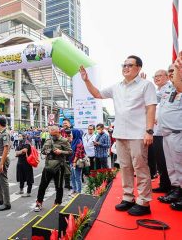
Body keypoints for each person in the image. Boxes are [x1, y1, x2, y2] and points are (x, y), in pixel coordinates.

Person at [79, 55, 157, 216]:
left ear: (138, 68)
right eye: (124, 65)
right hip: (120, 134)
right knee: (125, 167)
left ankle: (144, 201)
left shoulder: (146, 85)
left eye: (130, 65)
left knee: (140, 167)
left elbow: (151, 108)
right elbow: (97, 94)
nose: (126, 67)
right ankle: (128, 197)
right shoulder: (117, 87)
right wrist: (86, 80)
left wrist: (149, 131)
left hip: (138, 134)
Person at [157, 57, 182, 211]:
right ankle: (176, 190)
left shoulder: (180, 87)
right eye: (170, 71)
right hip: (166, 134)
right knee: (171, 166)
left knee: (180, 166)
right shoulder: (168, 88)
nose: (172, 73)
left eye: (175, 70)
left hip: (178, 133)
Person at [34, 126, 72, 212]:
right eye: (51, 135)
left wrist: (61, 152)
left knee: (58, 186)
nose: (53, 136)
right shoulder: (48, 140)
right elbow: (43, 151)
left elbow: (70, 152)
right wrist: (47, 151)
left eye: (54, 135)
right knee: (42, 185)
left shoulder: (64, 141)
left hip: (59, 167)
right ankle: (39, 202)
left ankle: (57, 203)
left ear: (58, 132)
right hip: (48, 166)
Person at [149, 69, 172, 193]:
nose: (156, 78)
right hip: (157, 133)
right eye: (155, 76)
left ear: (168, 77)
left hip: (166, 133)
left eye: (159, 76)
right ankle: (164, 184)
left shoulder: (171, 89)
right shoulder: (158, 91)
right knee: (160, 161)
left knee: (168, 161)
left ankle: (172, 187)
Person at [70, 129, 86, 195]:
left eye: (72, 133)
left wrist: (74, 162)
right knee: (72, 177)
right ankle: (74, 190)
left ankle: (79, 192)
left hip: (76, 162)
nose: (71, 134)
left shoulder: (79, 141)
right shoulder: (73, 141)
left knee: (77, 177)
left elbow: (77, 153)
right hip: (72, 161)